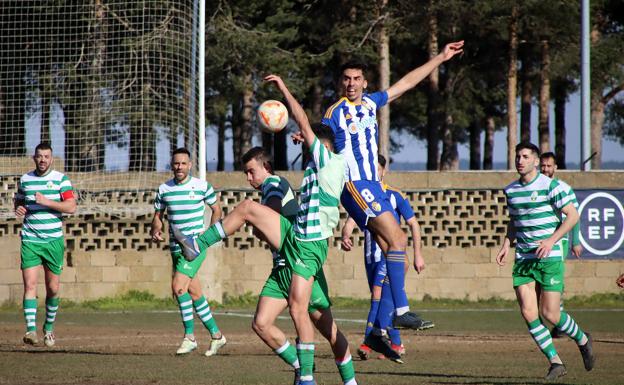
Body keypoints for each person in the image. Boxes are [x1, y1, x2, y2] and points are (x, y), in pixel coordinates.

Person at [173, 74, 351, 385]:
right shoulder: (318, 165)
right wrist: (301, 139)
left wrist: (283, 89)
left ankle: (312, 378)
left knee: (313, 317)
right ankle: (196, 244)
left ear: (322, 146)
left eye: (310, 144)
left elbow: (303, 121)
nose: (305, 146)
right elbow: (309, 141)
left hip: (309, 246)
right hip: (295, 237)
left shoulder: (330, 161)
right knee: (247, 210)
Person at [321, 42, 464, 347]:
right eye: (346, 78)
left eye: (357, 78)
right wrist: (302, 137)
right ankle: (401, 312)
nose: (351, 83)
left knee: (392, 246)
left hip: (373, 186)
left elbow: (407, 82)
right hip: (354, 185)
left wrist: (440, 57)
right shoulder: (334, 112)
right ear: (340, 83)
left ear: (365, 82)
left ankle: (377, 332)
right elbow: (319, 139)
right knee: (398, 240)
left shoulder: (372, 103)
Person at [243, 146, 358, 384]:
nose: (248, 177)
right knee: (261, 323)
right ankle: (301, 366)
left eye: (251, 171)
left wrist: (257, 224)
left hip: (300, 265)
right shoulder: (266, 189)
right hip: (284, 268)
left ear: (265, 167)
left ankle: (348, 382)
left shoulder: (274, 183)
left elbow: (272, 210)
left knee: (328, 330)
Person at [496, 142, 595, 380]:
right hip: (524, 259)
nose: (520, 160)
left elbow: (572, 216)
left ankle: (582, 339)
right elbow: (515, 221)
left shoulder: (552, 187)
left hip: (548, 258)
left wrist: (551, 240)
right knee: (529, 312)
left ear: (535, 161)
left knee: (551, 314)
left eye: (525, 156)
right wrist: (506, 244)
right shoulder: (510, 190)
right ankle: (555, 361)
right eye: (517, 156)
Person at [341, 154, 433, 360]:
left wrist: (418, 254)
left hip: (388, 255)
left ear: (384, 170)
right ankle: (393, 341)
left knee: (378, 294)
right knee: (382, 297)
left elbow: (413, 224)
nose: (373, 171)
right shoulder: (362, 193)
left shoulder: (394, 195)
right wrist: (346, 234)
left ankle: (370, 341)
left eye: (377, 168)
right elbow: (351, 220)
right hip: (370, 256)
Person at [150, 148, 226, 356]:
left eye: (183, 163)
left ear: (190, 165)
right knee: (194, 292)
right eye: (176, 163)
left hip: (195, 246)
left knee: (178, 288)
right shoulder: (164, 189)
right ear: (172, 165)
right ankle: (217, 335)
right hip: (175, 246)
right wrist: (156, 229)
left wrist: (209, 235)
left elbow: (217, 209)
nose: (179, 167)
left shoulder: (202, 186)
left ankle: (189, 337)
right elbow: (158, 215)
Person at [15, 143, 77, 347]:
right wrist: (19, 209)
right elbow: (19, 201)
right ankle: (31, 330)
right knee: (30, 285)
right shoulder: (25, 180)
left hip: (53, 241)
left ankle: (48, 329)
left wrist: (47, 202)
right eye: (39, 156)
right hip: (31, 239)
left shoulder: (61, 179)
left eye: (46, 156)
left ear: (52, 158)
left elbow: (71, 207)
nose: (43, 160)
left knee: (53, 288)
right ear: (34, 158)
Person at [539, 152, 582, 338]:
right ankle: (549, 320)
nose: (546, 169)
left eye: (549, 166)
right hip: (539, 240)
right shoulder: (535, 186)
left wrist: (576, 241)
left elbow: (575, 215)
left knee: (554, 279)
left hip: (559, 240)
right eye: (543, 165)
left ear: (555, 167)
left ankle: (559, 321)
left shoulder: (563, 188)